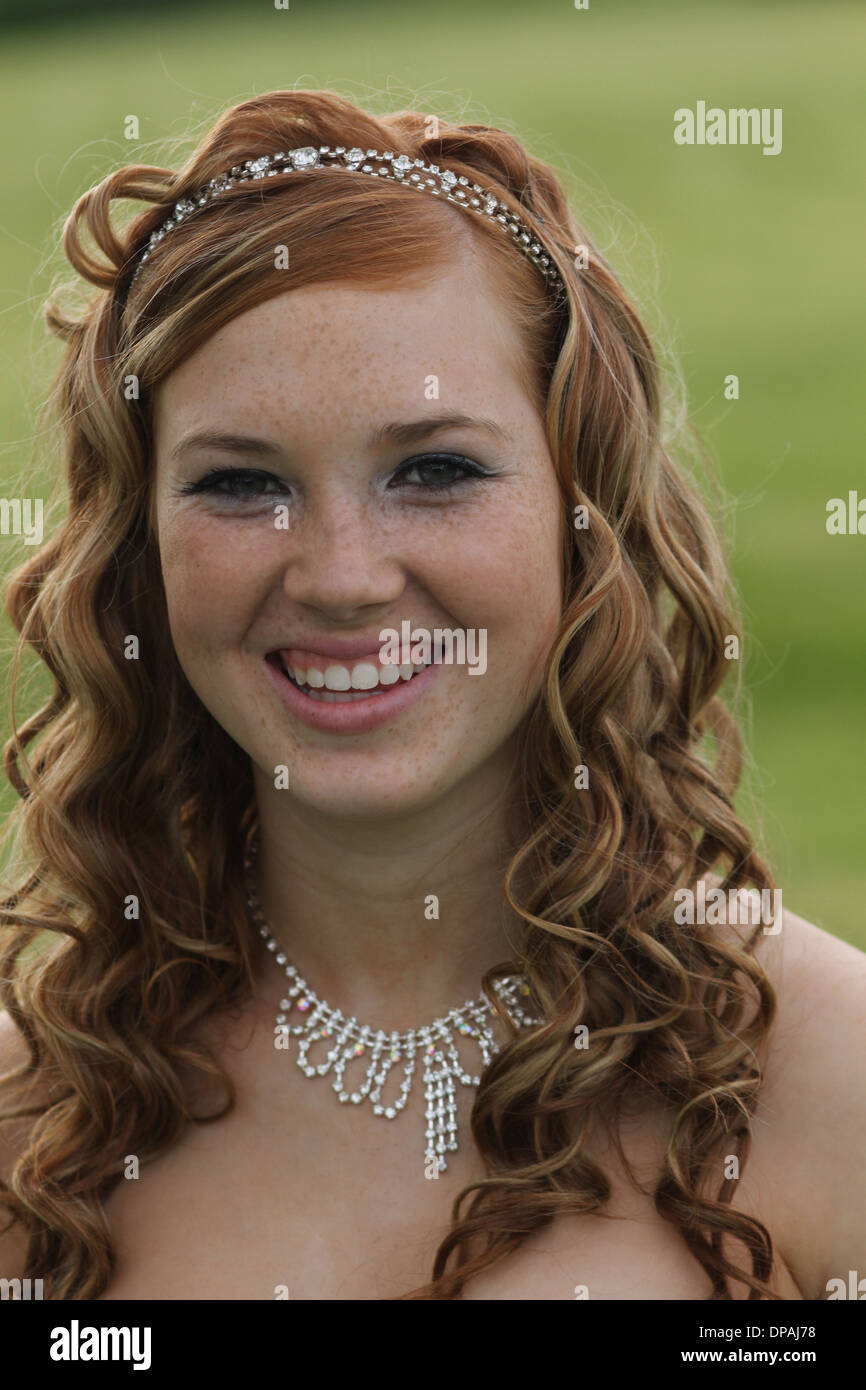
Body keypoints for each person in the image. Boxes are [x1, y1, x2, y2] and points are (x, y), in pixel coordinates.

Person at [0, 88, 863, 1302]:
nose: (341, 576)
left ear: (586, 515)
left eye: (436, 469)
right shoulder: (36, 1117)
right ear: (136, 549)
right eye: (241, 485)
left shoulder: (829, 1079)